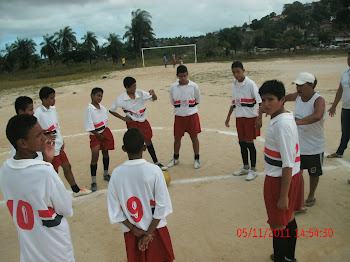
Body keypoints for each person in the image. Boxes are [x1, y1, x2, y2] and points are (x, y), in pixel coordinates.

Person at [1, 114, 75, 262]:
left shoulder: (5, 169)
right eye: (37, 135)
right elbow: (66, 208)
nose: (44, 138)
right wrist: (47, 164)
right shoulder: (44, 172)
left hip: (30, 250)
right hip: (55, 249)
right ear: (22, 143)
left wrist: (45, 161)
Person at [107, 128, 174, 262]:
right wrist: (149, 233)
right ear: (144, 147)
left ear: (124, 148)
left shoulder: (116, 174)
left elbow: (115, 210)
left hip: (132, 233)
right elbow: (162, 206)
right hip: (156, 230)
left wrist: (134, 229)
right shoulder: (155, 171)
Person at [259, 80, 302, 262]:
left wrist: (283, 195)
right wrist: (260, 114)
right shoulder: (283, 116)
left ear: (282, 99)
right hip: (288, 177)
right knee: (288, 217)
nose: (266, 104)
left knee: (277, 225)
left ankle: (280, 258)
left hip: (280, 179)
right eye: (263, 100)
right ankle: (289, 257)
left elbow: (287, 163)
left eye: (270, 100)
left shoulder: (282, 125)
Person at [35, 86, 92, 197]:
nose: (54, 100)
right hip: (50, 147)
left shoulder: (53, 109)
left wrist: (61, 141)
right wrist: (46, 136)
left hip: (58, 144)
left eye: (54, 97)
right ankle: (51, 195)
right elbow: (35, 131)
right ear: (44, 99)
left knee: (67, 166)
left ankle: (75, 190)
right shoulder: (38, 113)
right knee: (54, 171)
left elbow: (57, 127)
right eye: (51, 98)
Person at [285, 73, 326, 209]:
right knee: (298, 172)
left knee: (313, 173)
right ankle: (299, 198)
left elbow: (317, 115)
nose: (298, 88)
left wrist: (297, 122)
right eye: (297, 85)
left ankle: (311, 195)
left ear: (311, 85)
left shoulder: (318, 100)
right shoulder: (298, 96)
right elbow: (284, 98)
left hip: (314, 146)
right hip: (299, 145)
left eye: (301, 85)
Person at [109, 77, 167, 170]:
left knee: (148, 141)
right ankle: (135, 165)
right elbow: (111, 110)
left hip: (143, 122)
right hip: (132, 123)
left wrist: (153, 94)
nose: (135, 88)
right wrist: (123, 118)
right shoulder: (121, 99)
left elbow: (154, 99)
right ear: (127, 88)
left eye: (135, 85)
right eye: (132, 86)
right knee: (134, 144)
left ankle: (156, 162)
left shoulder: (140, 93)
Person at [225, 61, 262, 181]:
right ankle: (245, 167)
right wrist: (228, 116)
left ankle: (253, 169)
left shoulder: (250, 84)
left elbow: (259, 101)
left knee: (250, 143)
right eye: (234, 72)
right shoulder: (234, 85)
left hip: (250, 118)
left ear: (243, 71)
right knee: (241, 142)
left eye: (238, 72)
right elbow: (233, 101)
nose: (236, 74)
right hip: (239, 117)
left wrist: (259, 118)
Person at [167, 65, 201, 169]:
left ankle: (197, 159)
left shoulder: (194, 86)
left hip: (192, 116)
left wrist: (189, 109)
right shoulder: (173, 87)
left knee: (194, 137)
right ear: (177, 75)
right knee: (177, 138)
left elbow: (198, 100)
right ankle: (176, 158)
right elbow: (173, 101)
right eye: (181, 76)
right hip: (179, 117)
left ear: (187, 74)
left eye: (185, 76)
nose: (183, 78)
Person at [85, 87, 115, 192]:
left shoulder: (102, 108)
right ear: (92, 95)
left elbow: (105, 121)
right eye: (98, 95)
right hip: (95, 134)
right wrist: (98, 135)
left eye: (101, 96)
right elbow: (89, 126)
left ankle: (106, 174)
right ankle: (93, 181)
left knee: (106, 153)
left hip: (104, 132)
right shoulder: (89, 109)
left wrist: (104, 134)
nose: (100, 98)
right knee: (95, 155)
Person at [10, 96, 55, 162]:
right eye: (30, 110)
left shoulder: (27, 124)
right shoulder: (19, 129)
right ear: (21, 111)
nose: (33, 112)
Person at [327, 52, 350, 158]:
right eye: (348, 59)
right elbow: (340, 91)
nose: (349, 61)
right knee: (345, 131)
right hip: (346, 107)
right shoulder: (344, 74)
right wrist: (334, 105)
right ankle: (340, 152)